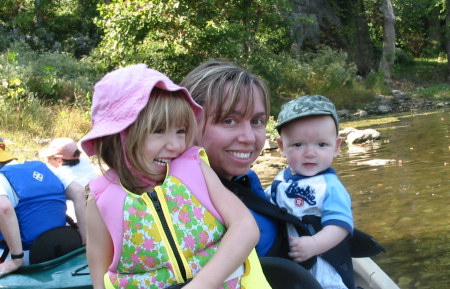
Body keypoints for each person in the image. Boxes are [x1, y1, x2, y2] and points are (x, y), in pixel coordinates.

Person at [80, 64, 270, 289]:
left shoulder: (194, 168)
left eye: (181, 131)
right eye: (159, 131)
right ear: (118, 137)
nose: (176, 145)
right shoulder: (100, 199)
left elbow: (245, 226)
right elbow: (100, 275)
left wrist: (202, 284)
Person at [180, 60, 279, 257]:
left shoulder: (243, 179)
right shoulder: (181, 205)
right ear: (188, 124)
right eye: (229, 121)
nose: (249, 137)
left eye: (257, 121)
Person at [265, 94, 353, 289]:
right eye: (298, 144)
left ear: (336, 147)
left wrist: (314, 244)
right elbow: (267, 201)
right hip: (294, 265)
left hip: (324, 264)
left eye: (321, 144)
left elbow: (340, 226)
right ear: (282, 147)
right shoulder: (280, 180)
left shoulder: (330, 187)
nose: (310, 153)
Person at [0, 137, 87, 277]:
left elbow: (3, 208)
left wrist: (17, 259)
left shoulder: (2, 179)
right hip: (64, 247)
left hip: (26, 256)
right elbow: (79, 192)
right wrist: (84, 241)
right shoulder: (47, 169)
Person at [40, 137, 98, 222]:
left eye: (49, 158)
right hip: (97, 211)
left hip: (75, 219)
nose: (47, 161)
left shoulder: (56, 174)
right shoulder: (85, 161)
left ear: (59, 161)